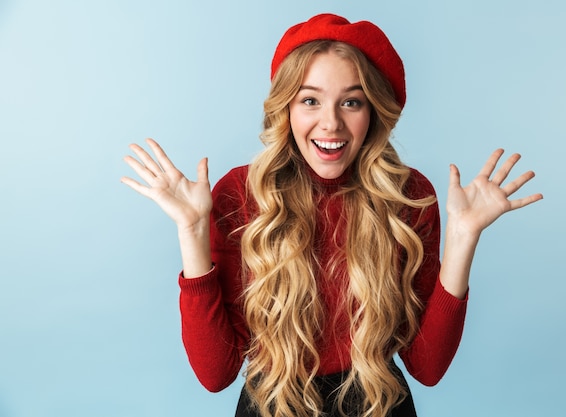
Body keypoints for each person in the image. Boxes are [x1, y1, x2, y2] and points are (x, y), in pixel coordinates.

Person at [121, 13, 542, 417]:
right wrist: (192, 231)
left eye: (351, 102)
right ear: (286, 108)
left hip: (380, 404)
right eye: (310, 100)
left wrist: (464, 238)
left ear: (373, 113)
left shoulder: (409, 196)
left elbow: (427, 369)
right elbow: (215, 375)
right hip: (272, 406)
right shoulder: (240, 195)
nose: (331, 123)